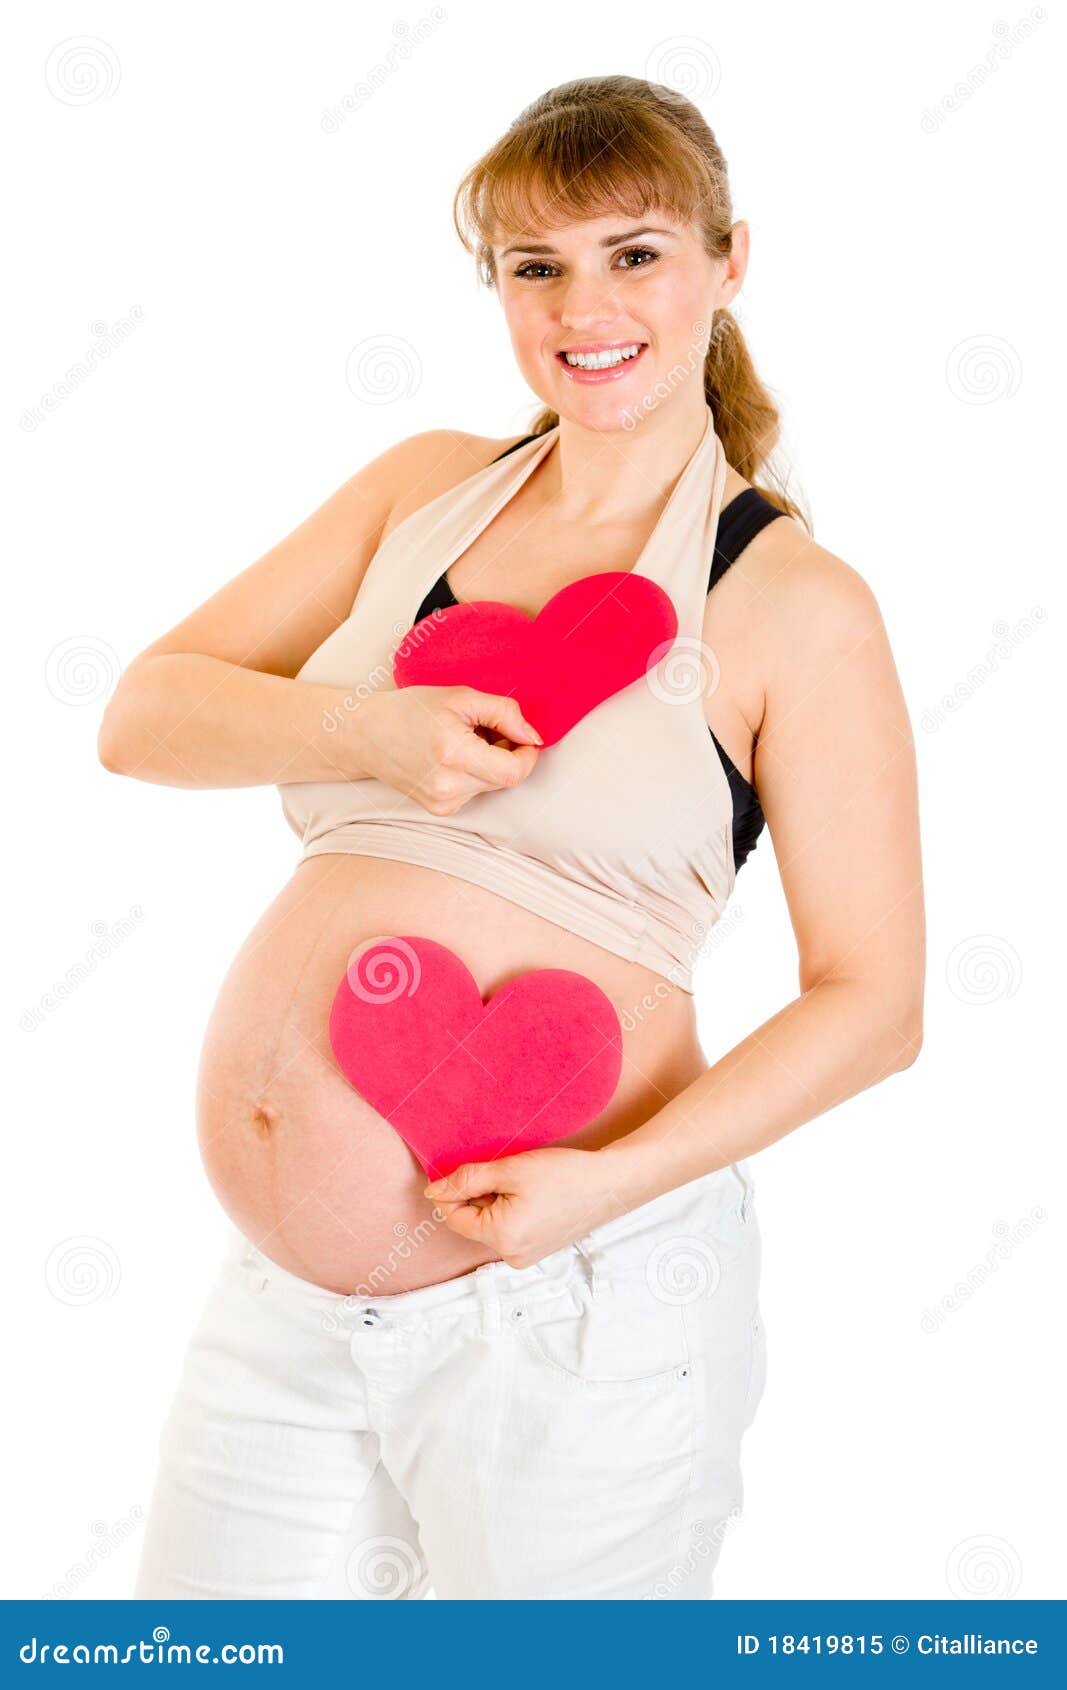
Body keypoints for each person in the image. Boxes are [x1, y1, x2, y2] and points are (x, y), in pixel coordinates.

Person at [99, 75, 924, 1600]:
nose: (582, 306)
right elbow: (143, 714)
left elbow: (874, 1006)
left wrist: (600, 1187)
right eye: (534, 266)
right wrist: (367, 732)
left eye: (635, 253)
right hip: (283, 1306)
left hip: (574, 1294)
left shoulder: (792, 603)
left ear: (730, 262)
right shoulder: (425, 491)